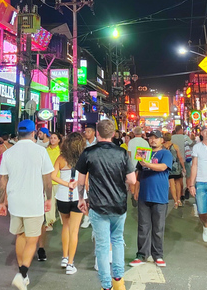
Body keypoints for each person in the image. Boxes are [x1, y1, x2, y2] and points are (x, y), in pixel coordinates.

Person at [76, 119, 137, 290]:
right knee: (117, 240)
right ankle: (119, 280)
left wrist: (81, 199)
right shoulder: (122, 153)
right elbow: (132, 179)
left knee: (102, 246)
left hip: (97, 205)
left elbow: (81, 181)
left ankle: (106, 286)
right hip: (118, 204)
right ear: (113, 134)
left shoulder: (88, 153)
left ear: (97, 133)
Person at [0, 120, 54, 290]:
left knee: (20, 236)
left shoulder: (8, 152)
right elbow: (47, 180)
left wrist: (2, 201)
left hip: (15, 203)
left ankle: (23, 275)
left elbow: (3, 180)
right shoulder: (41, 151)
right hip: (33, 202)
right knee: (33, 239)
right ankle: (22, 274)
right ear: (33, 133)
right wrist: (49, 198)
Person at [130, 129, 171, 268]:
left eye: (156, 138)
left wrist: (147, 164)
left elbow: (163, 167)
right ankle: (141, 254)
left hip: (159, 196)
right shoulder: (144, 152)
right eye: (151, 138)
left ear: (162, 140)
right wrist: (136, 189)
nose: (152, 140)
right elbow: (138, 173)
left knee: (158, 228)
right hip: (144, 195)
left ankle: (158, 255)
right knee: (143, 226)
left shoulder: (166, 153)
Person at [51, 132, 85, 275]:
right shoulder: (84, 159)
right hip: (78, 197)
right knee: (74, 230)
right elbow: (88, 178)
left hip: (62, 197)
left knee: (65, 226)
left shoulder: (61, 158)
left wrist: (66, 184)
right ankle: (71, 263)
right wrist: (77, 183)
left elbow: (52, 176)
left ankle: (64, 258)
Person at [162, 132, 185, 208]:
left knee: (171, 184)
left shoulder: (162, 147)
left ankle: (175, 202)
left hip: (167, 166)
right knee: (177, 183)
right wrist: (183, 167)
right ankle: (179, 200)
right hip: (176, 166)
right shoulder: (175, 146)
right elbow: (180, 158)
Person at [45, 133, 62, 232]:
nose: (52, 140)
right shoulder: (45, 151)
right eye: (51, 138)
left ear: (59, 140)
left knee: (60, 203)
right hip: (48, 180)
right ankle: (49, 222)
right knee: (49, 202)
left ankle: (64, 221)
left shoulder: (61, 151)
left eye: (55, 138)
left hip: (59, 179)